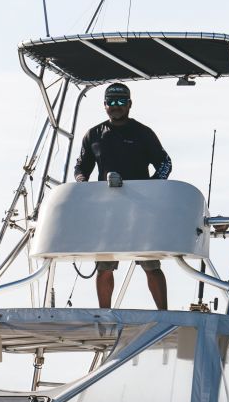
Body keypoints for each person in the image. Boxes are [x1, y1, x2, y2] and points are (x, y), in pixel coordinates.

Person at [74, 81, 173, 309]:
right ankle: (104, 315)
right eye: (111, 102)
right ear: (105, 105)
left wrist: (153, 185)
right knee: (105, 266)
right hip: (106, 212)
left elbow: (165, 162)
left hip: (140, 209)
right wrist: (82, 184)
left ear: (129, 104)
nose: (116, 106)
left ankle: (163, 313)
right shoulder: (93, 135)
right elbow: (81, 168)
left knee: (150, 264)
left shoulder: (143, 133)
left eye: (120, 102)